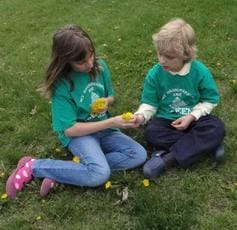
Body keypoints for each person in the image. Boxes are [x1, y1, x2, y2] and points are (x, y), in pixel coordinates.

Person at [6, 25, 147, 199]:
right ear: (65, 61)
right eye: (81, 62)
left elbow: (110, 96)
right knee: (99, 174)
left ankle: (70, 171)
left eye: (91, 56)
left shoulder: (100, 67)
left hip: (104, 131)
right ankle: (33, 166)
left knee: (138, 155)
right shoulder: (62, 85)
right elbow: (69, 129)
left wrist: (106, 102)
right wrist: (112, 122)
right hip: (80, 135)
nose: (89, 64)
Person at [132, 18, 225, 179]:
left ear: (186, 55)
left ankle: (167, 159)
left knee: (216, 126)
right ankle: (208, 146)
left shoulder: (200, 72)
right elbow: (149, 103)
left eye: (169, 57)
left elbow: (210, 99)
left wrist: (191, 116)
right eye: (160, 54)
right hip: (166, 122)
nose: (162, 60)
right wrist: (141, 116)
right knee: (151, 132)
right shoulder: (155, 74)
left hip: (194, 119)